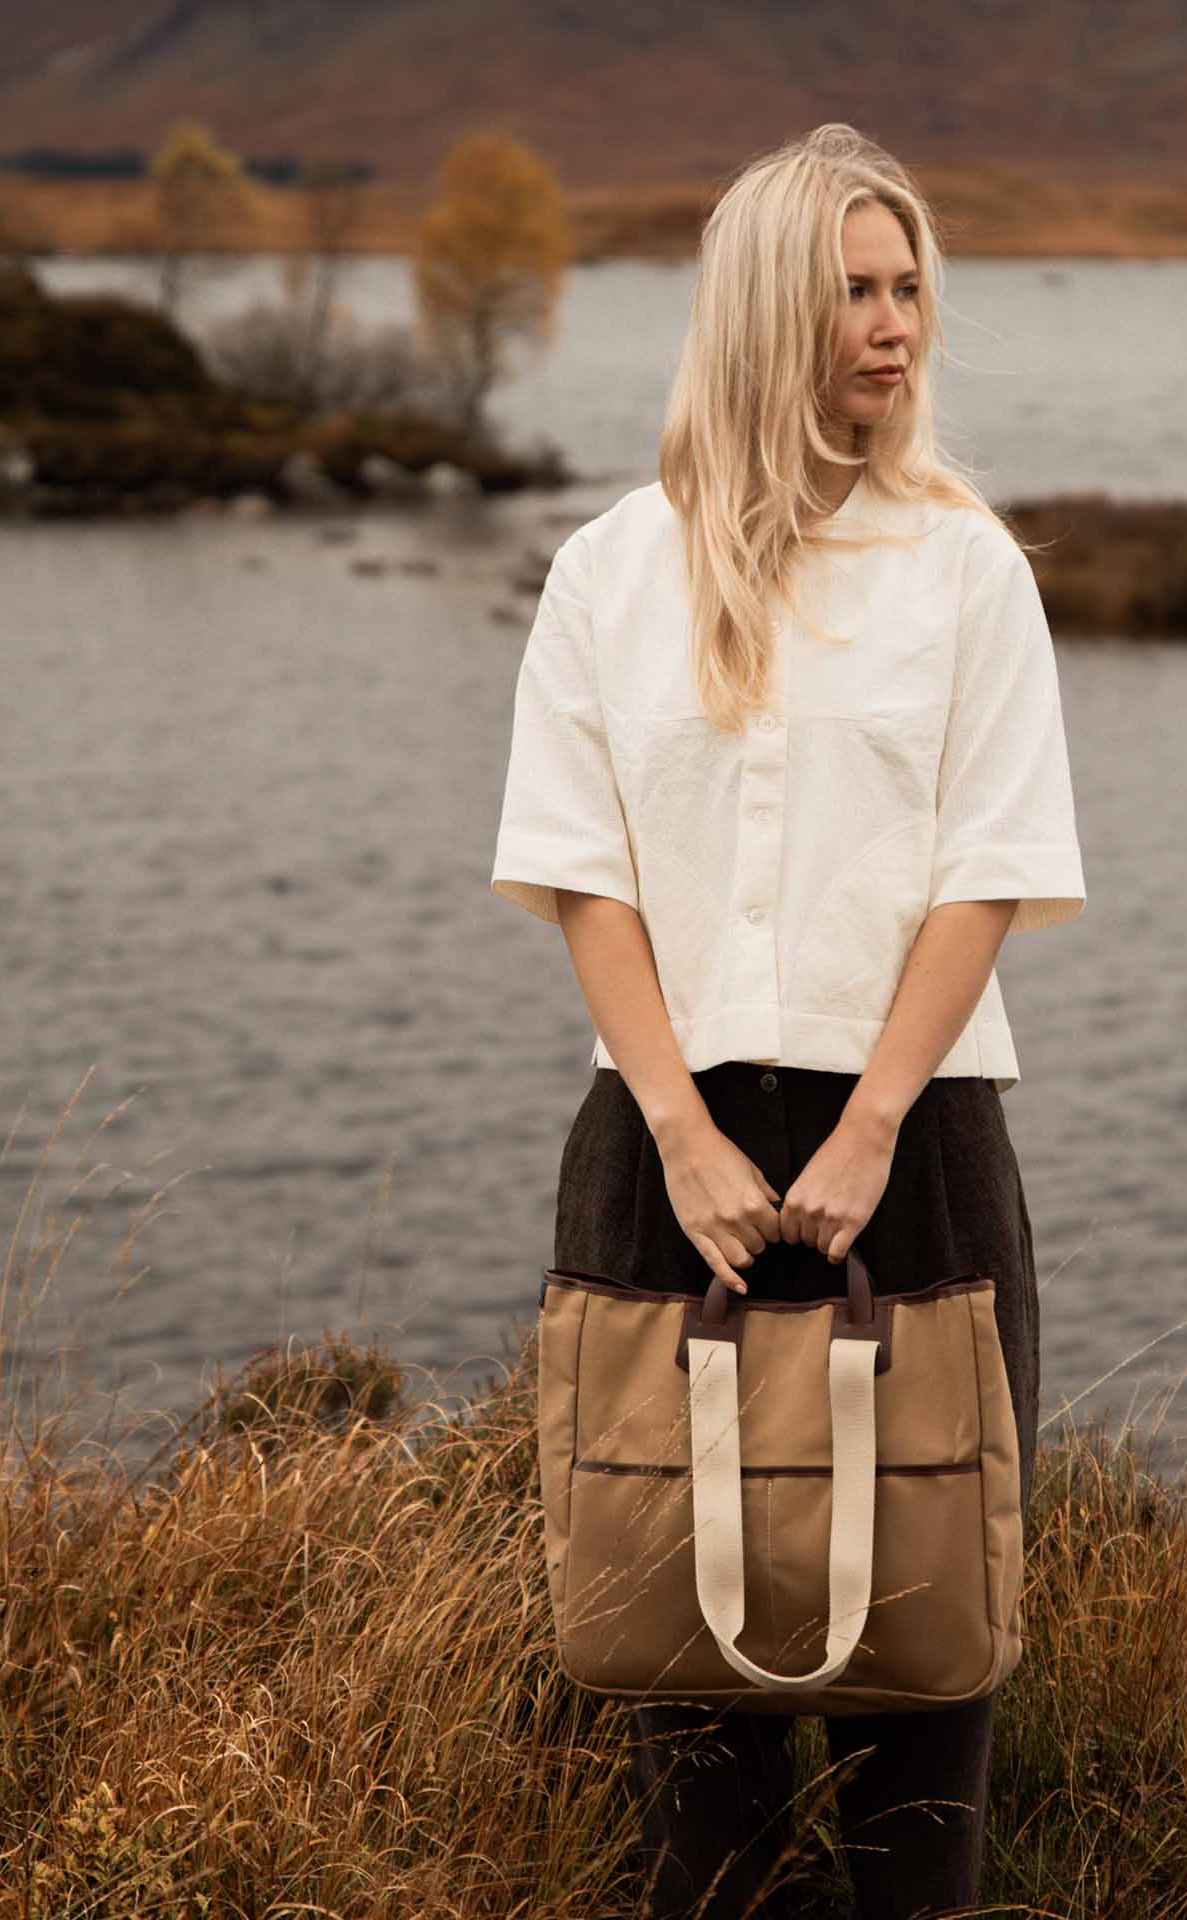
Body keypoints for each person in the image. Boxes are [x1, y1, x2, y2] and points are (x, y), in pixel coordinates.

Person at [490, 122, 1087, 1920]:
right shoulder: (611, 569)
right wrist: (679, 1128)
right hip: (658, 1161)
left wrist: (868, 1126)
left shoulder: (967, 567)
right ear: (766, 310)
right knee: (687, 1709)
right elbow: (581, 870)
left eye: (912, 288)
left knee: (925, 1696)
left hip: (908, 1163)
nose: (897, 325)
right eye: (855, 291)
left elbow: (987, 867)